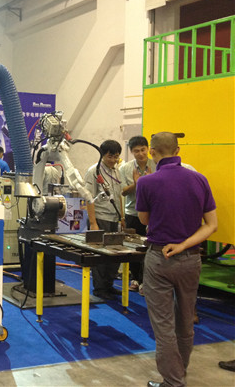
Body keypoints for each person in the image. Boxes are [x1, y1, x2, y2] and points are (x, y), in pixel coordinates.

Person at [136, 132, 217, 387]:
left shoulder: (146, 182)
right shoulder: (199, 179)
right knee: (185, 322)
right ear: (178, 150)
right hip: (190, 258)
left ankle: (173, 382)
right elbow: (211, 225)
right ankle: (180, 372)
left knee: (164, 326)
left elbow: (144, 219)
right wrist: (183, 245)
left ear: (152, 152)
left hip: (159, 257)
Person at [85, 140, 124, 301]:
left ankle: (109, 284)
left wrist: (122, 217)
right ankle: (100, 288)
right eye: (110, 156)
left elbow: (118, 195)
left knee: (115, 254)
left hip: (115, 218)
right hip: (100, 218)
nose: (113, 160)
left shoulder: (117, 171)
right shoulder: (93, 171)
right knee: (100, 256)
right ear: (102, 155)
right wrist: (93, 223)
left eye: (116, 156)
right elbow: (89, 198)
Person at [119, 135, 156, 292]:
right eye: (136, 151)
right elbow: (123, 191)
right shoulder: (125, 168)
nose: (140, 154)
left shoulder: (156, 165)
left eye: (143, 150)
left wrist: (149, 182)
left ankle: (146, 281)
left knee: (150, 249)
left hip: (153, 214)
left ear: (148, 149)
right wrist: (137, 183)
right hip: (132, 213)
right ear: (131, 152)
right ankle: (135, 279)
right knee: (133, 248)